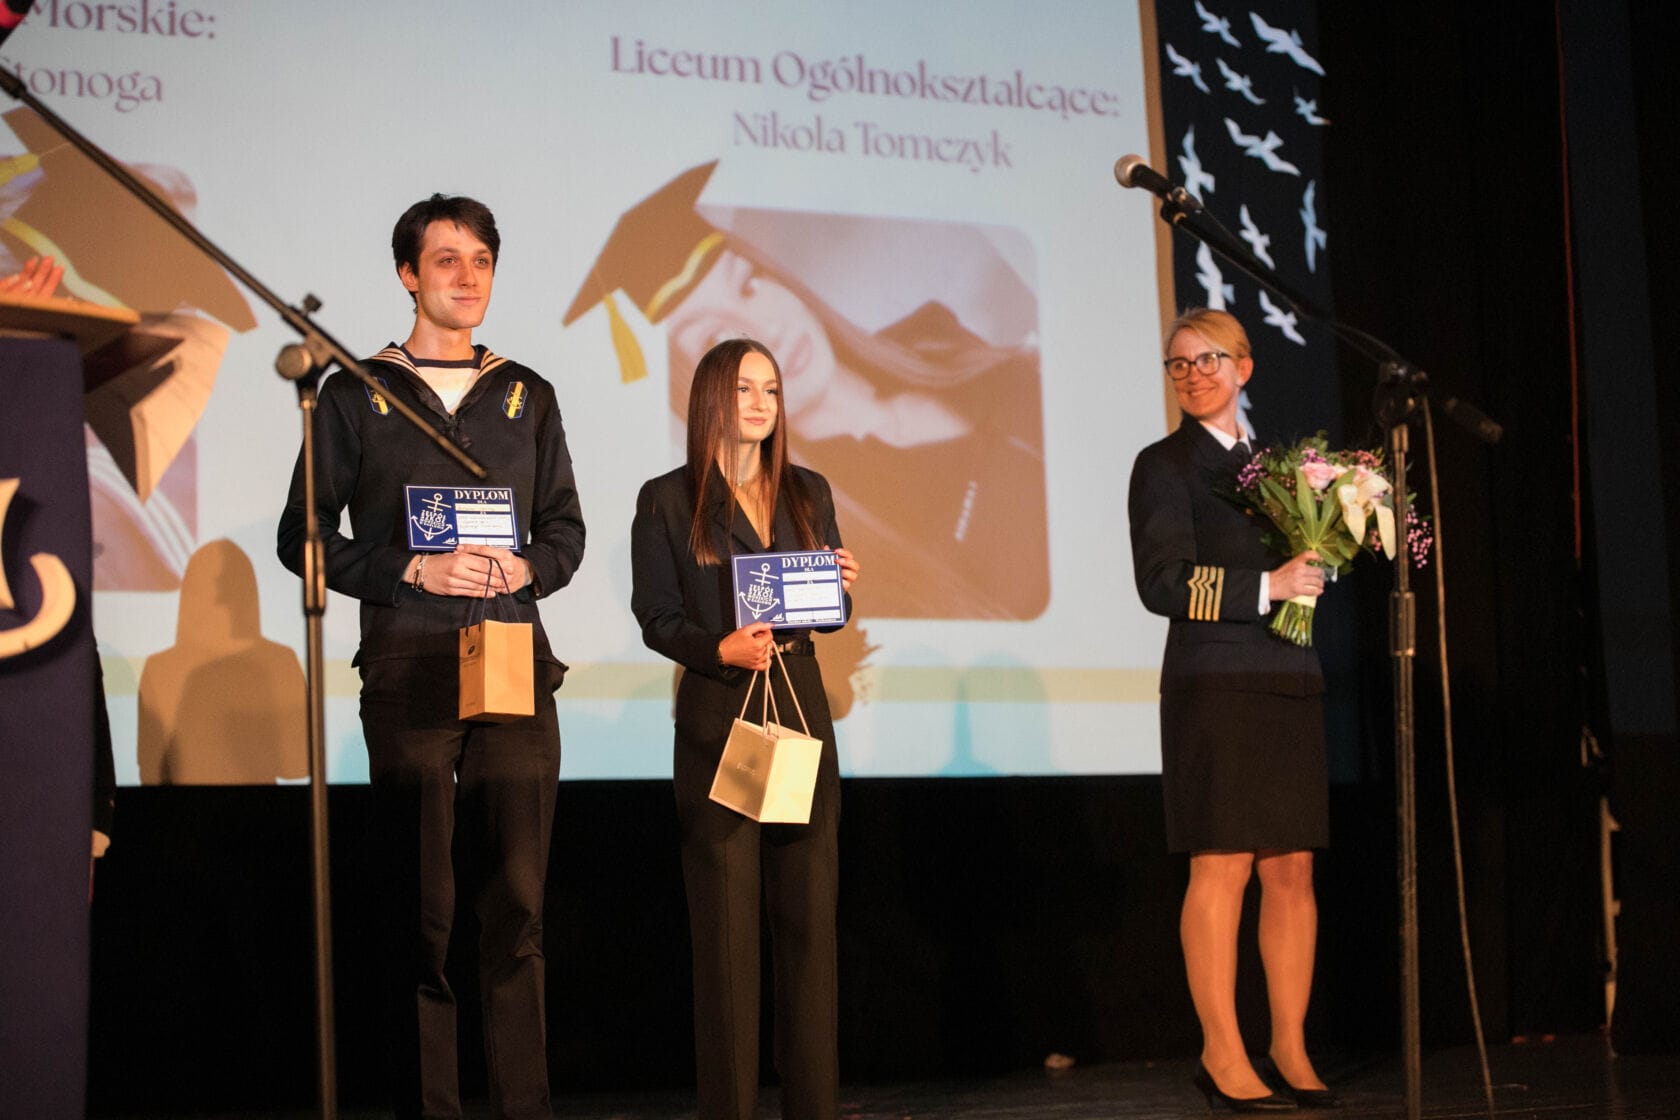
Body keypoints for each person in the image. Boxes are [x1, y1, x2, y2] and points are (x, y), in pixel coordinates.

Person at [277, 194, 585, 1120]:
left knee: (518, 907)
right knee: (425, 913)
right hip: (408, 668)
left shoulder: (527, 392)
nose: (468, 276)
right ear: (408, 275)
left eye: (481, 260)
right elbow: (303, 537)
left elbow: (565, 531)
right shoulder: (353, 391)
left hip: (514, 662)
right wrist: (413, 566)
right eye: (447, 260)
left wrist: (524, 566)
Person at [568, 161, 1040, 619]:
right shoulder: (781, 519)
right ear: (700, 385)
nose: (764, 332)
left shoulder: (938, 341)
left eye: (749, 286)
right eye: (716, 337)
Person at [630, 337, 859, 1120]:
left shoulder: (807, 489)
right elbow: (656, 616)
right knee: (727, 943)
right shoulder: (668, 499)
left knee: (810, 932)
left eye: (771, 390)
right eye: (743, 389)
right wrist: (717, 649)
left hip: (799, 707)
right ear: (710, 400)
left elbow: (828, 610)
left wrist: (840, 587)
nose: (761, 403)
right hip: (720, 712)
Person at [1127, 308, 1340, 1112]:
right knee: (1223, 865)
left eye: (1208, 359)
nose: (1193, 375)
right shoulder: (1164, 465)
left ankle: (1288, 1043)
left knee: (1291, 867)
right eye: (1179, 364)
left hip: (1287, 675)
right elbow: (1161, 583)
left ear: (1244, 367)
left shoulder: (1281, 466)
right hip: (1214, 684)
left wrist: (1319, 564)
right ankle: (1221, 1050)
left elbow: (1305, 559)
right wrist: (1268, 586)